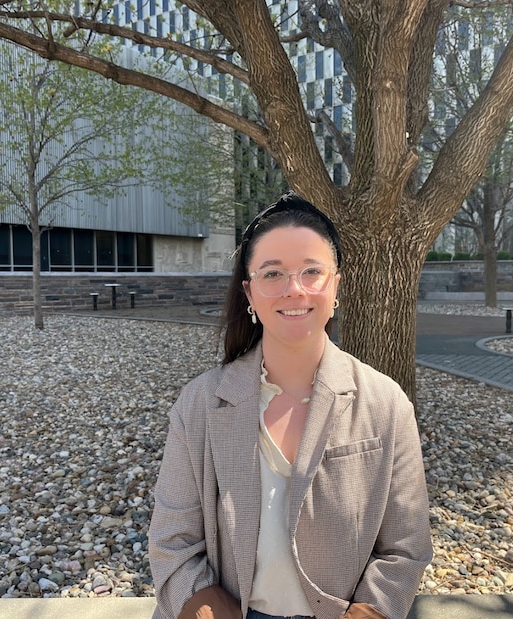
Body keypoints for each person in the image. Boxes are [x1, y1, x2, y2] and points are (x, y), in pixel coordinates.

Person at [148, 192, 433, 619]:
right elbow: (172, 542)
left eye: (312, 271)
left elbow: (406, 546)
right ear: (250, 291)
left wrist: (372, 610)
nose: (294, 289)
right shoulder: (200, 404)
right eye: (273, 273)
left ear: (335, 284)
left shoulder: (385, 402)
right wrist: (202, 606)